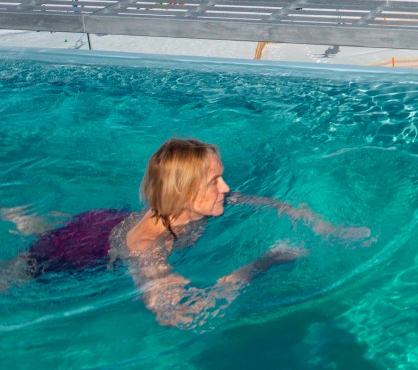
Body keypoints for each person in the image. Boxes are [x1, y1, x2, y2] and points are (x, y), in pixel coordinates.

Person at [0, 138, 368, 328]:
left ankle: (27, 219)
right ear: (184, 193)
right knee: (21, 269)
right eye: (215, 181)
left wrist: (329, 228)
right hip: (81, 251)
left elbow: (278, 204)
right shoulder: (149, 247)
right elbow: (178, 314)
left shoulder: (203, 204)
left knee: (59, 226)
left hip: (110, 219)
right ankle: (26, 225)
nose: (226, 187)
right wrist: (266, 261)